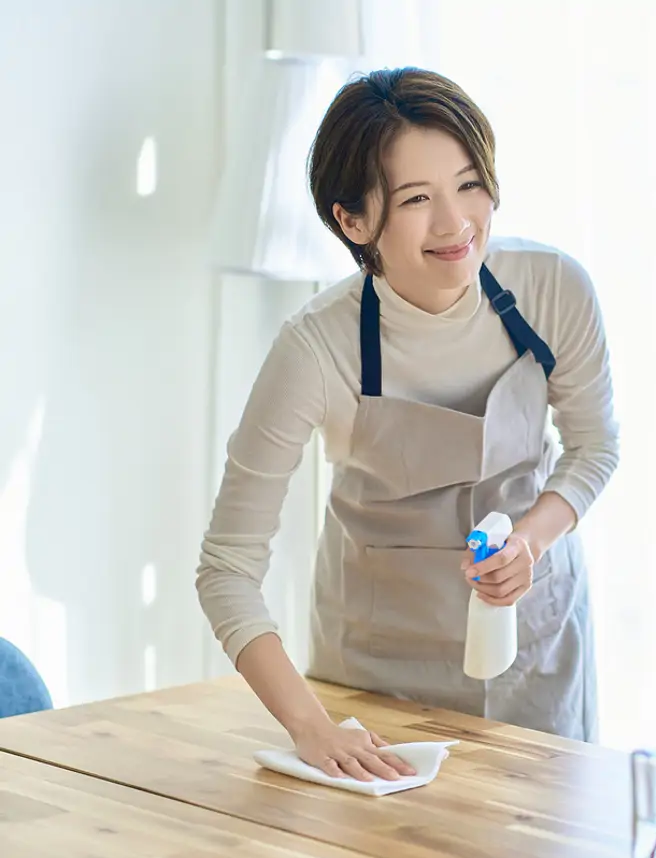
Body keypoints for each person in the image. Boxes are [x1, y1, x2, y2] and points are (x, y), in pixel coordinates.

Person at [197, 67, 619, 783]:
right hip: (377, 682)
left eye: (468, 184)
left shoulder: (553, 289)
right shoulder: (316, 349)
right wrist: (313, 726)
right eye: (417, 199)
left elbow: (594, 446)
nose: (456, 223)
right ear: (353, 221)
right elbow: (226, 570)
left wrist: (532, 540)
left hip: (537, 659)